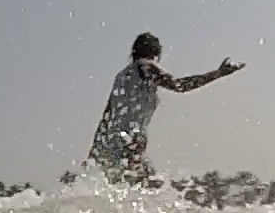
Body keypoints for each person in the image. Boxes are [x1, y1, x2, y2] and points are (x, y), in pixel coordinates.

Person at [88, 32, 244, 184]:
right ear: (155, 53)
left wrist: (94, 152)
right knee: (146, 185)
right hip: (131, 140)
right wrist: (218, 73)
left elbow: (107, 116)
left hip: (112, 140)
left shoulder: (121, 76)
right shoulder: (147, 66)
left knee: (123, 185)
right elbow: (180, 85)